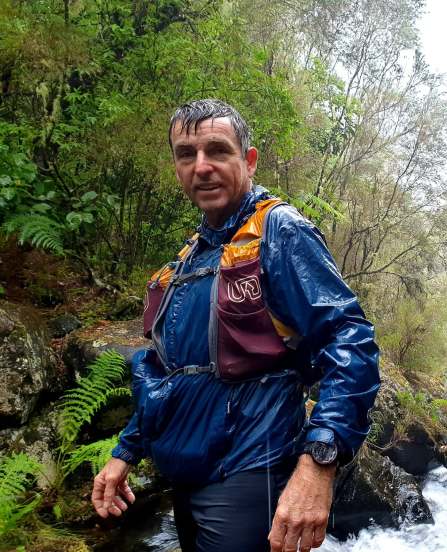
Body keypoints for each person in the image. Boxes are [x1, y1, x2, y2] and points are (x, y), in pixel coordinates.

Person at [91, 99, 381, 552]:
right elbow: (168, 372)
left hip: (251, 470)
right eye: (187, 155)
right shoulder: (191, 257)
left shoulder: (280, 232)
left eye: (217, 151)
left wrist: (319, 463)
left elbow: (350, 340)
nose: (201, 167)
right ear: (176, 167)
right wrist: (126, 451)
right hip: (187, 475)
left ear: (248, 160)